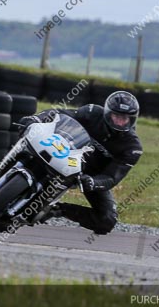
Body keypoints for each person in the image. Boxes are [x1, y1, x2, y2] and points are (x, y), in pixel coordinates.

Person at [16, 91, 143, 235]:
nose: (120, 121)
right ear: (108, 112)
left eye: (125, 118)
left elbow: (112, 177)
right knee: (29, 134)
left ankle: (56, 209)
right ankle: (10, 165)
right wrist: (36, 119)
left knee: (107, 220)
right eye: (116, 116)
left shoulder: (132, 148)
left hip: (90, 174)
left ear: (132, 119)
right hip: (66, 151)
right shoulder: (92, 112)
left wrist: (93, 182)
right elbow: (60, 114)